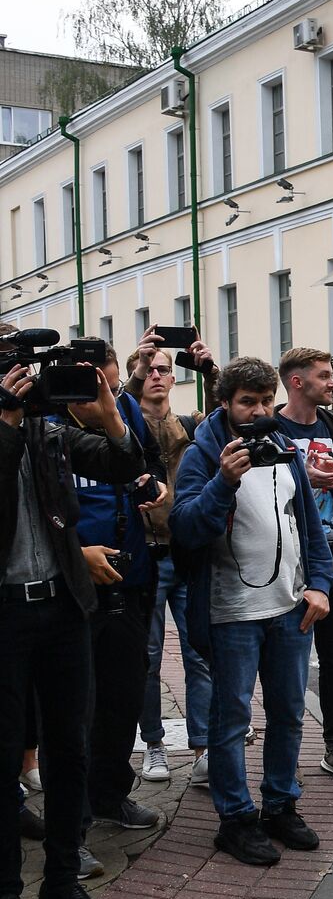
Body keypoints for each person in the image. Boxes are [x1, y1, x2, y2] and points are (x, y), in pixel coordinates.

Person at [1, 323, 146, 899]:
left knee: (69, 749)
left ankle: (61, 882)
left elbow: (123, 464)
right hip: (5, 614)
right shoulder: (16, 428)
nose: (19, 376)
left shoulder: (49, 429)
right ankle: (6, 895)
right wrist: (7, 423)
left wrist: (110, 414)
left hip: (63, 608)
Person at [169, 357, 333, 867]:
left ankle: (280, 806)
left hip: (290, 607)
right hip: (232, 613)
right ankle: (236, 820)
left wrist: (320, 585)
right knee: (231, 718)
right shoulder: (203, 453)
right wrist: (222, 481)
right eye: (247, 402)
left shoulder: (283, 447)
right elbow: (185, 528)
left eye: (266, 401)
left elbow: (309, 525)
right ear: (224, 403)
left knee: (288, 712)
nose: (259, 411)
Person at [58, 340, 167, 846]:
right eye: (92, 388)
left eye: (111, 383)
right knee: (74, 709)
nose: (103, 396)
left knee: (123, 698)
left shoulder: (122, 414)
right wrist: (77, 554)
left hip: (131, 581)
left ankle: (109, 794)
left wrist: (157, 487)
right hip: (72, 591)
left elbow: (148, 464)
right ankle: (73, 820)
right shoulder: (48, 428)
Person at [125, 327, 218, 787]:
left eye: (164, 369)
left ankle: (202, 748)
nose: (158, 375)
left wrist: (210, 370)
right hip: (144, 553)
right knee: (147, 657)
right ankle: (154, 744)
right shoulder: (123, 427)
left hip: (188, 552)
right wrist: (136, 370)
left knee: (200, 651)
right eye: (149, 369)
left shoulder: (191, 424)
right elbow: (114, 412)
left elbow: (227, 416)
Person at [274, 348, 333, 783]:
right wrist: (302, 477)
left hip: (330, 551)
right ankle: (282, 753)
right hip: (281, 556)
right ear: (297, 382)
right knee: (281, 658)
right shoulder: (273, 428)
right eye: (325, 376)